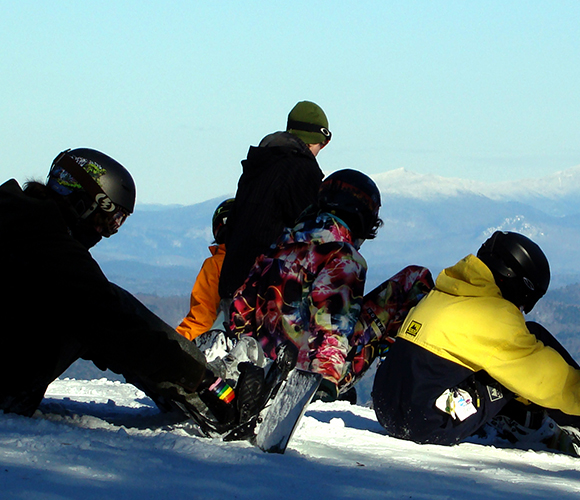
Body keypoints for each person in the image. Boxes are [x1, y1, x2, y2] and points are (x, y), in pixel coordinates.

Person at [0, 149, 242, 435]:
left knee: (98, 309)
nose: (107, 232)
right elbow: (116, 323)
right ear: (86, 203)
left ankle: (188, 385)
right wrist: (201, 377)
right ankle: (209, 393)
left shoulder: (17, 223)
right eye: (111, 219)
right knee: (105, 312)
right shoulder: (47, 244)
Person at [370, 231, 580, 460]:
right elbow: (547, 380)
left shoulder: (445, 294)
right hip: (429, 419)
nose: (521, 309)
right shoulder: (491, 314)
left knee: (507, 362)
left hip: (391, 410)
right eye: (524, 301)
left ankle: (523, 421)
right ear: (515, 281)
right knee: (531, 350)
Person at [228, 169, 432, 406]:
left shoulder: (279, 245)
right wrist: (324, 382)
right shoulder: (342, 256)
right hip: (311, 374)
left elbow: (239, 311)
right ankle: (397, 382)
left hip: (264, 367)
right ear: (362, 217)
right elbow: (333, 323)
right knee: (416, 279)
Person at [217, 100, 331, 302]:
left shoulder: (259, 163)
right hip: (266, 289)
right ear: (319, 141)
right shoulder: (303, 170)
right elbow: (310, 232)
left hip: (232, 278)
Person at [175, 197, 235, 340]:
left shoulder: (216, 265)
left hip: (233, 350)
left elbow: (201, 319)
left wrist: (175, 343)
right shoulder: (273, 262)